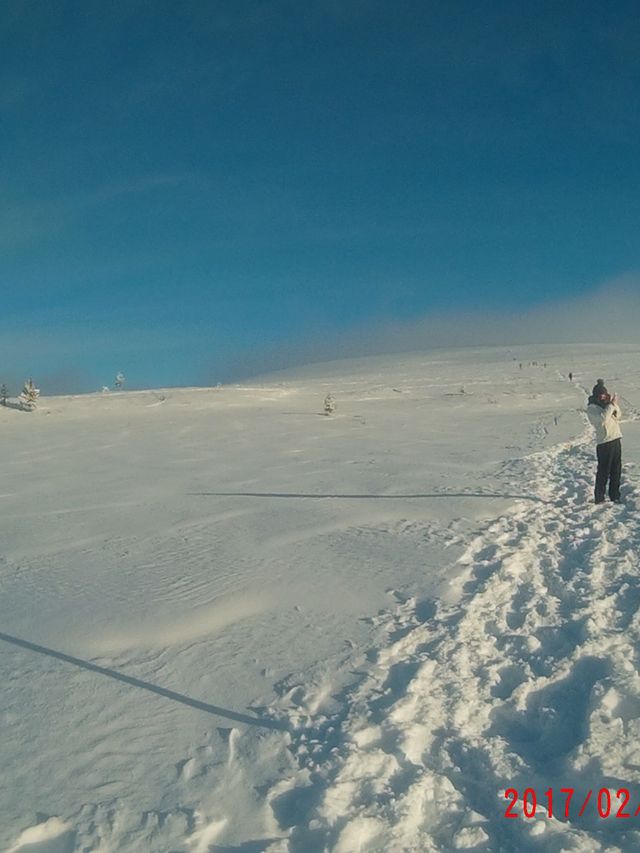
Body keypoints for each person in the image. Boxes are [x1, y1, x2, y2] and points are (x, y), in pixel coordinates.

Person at [586, 380, 622, 504]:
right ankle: (599, 497)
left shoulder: (607, 405)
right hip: (604, 443)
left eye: (605, 394)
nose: (604, 396)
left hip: (616, 439)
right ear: (597, 395)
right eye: (602, 394)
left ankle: (615, 495)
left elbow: (618, 416)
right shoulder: (592, 408)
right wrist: (611, 405)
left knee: (616, 470)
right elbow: (602, 420)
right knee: (604, 471)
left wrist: (614, 405)